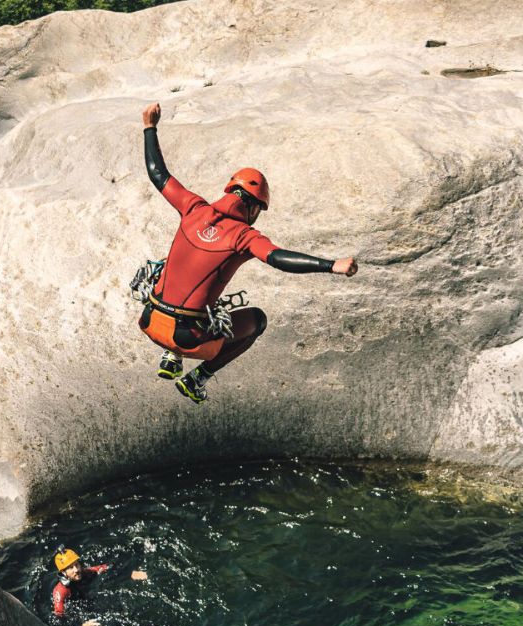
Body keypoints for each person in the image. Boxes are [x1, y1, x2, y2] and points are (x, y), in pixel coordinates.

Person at [137, 101, 359, 403]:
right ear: (253, 207)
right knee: (257, 320)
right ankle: (197, 378)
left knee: (182, 275)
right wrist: (331, 265)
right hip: (186, 337)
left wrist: (150, 126)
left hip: (149, 318)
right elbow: (278, 258)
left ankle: (170, 358)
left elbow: (157, 173)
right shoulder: (244, 235)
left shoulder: (193, 207)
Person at [51, 549, 149, 626]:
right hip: (78, 615)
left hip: (89, 601)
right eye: (71, 568)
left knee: (120, 609)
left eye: (76, 564)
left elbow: (107, 568)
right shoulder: (60, 591)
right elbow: (59, 618)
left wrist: (130, 573)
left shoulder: (85, 573)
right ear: (63, 572)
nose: (76, 570)